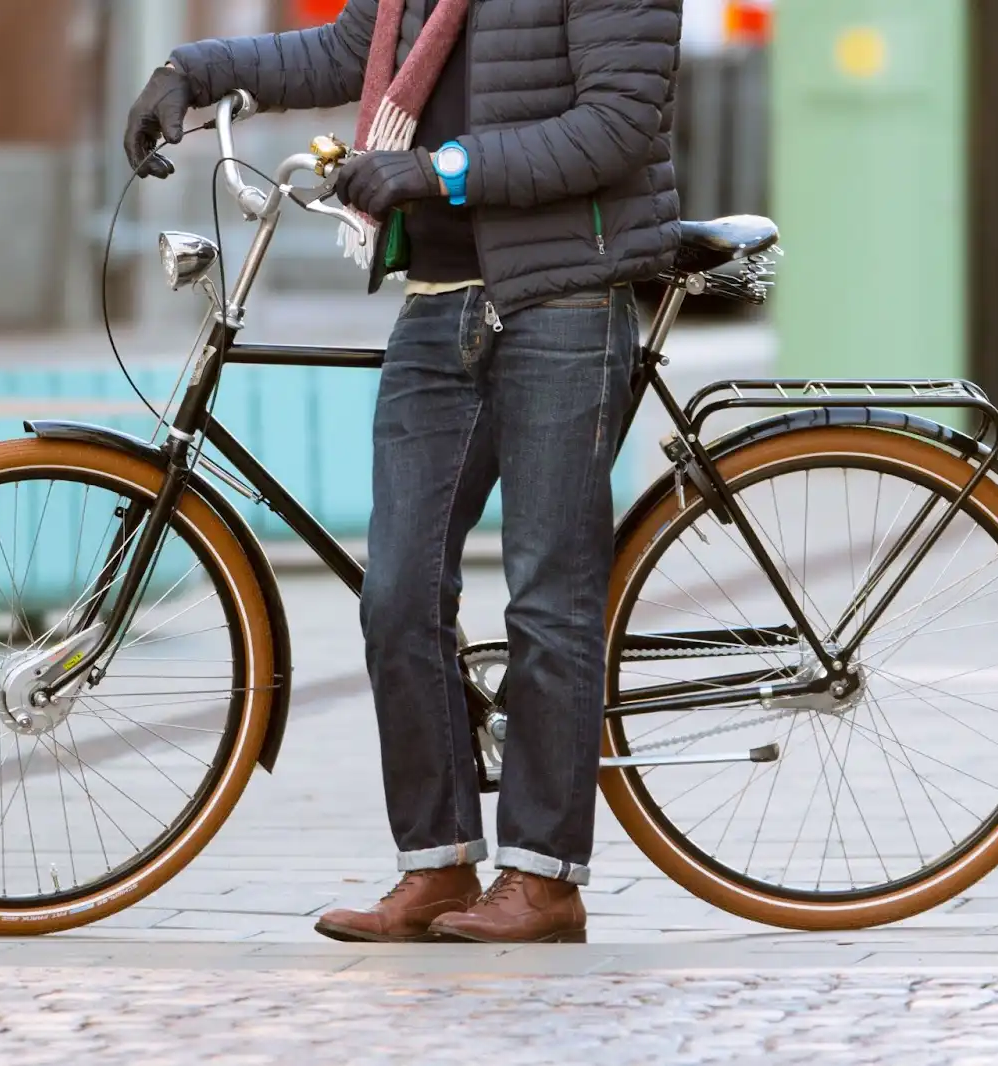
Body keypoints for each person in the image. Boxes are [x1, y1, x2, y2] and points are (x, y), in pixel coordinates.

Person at [124, 0, 682, 945]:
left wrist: (438, 170)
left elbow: (618, 124)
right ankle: (436, 866)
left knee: (550, 595)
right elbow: (348, 51)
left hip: (564, 296)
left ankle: (545, 883)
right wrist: (197, 69)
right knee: (396, 595)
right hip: (438, 300)